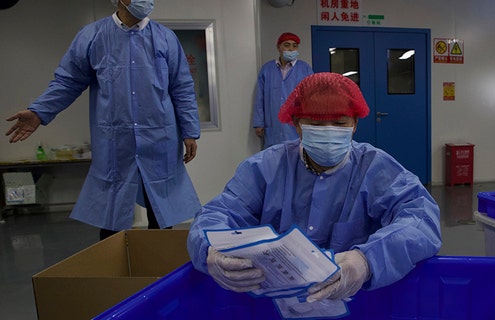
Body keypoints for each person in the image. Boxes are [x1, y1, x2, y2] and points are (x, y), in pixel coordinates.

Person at [188, 72, 441, 302]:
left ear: (355, 124)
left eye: (340, 123)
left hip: (357, 303)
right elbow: (217, 213)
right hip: (274, 305)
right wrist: (211, 251)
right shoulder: (265, 168)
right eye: (316, 125)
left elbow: (421, 219)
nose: (328, 133)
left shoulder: (375, 168)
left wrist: (366, 260)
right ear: (296, 124)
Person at [5, 0, 201, 240]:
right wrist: (39, 112)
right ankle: (113, 271)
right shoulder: (92, 36)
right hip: (115, 143)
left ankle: (157, 272)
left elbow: (182, 87)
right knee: (112, 216)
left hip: (160, 139)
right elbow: (68, 81)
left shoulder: (166, 38)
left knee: (161, 212)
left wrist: (190, 131)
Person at [252, 32, 314, 149]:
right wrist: (258, 123)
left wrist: (311, 122)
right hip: (273, 124)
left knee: (296, 155)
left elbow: (312, 97)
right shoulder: (267, 69)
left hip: (296, 124)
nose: (291, 49)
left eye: (294, 46)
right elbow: (260, 98)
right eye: (287, 45)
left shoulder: (305, 69)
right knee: (273, 158)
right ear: (278, 47)